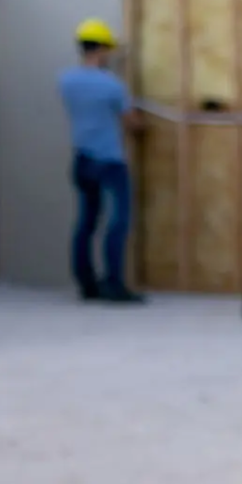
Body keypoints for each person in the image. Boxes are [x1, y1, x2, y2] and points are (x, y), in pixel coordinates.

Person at [59, 19, 145, 304]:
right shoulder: (113, 85)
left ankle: (87, 284)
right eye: (108, 49)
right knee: (119, 221)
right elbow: (131, 123)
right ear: (101, 49)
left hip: (82, 159)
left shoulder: (66, 81)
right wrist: (142, 124)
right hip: (110, 160)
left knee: (86, 222)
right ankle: (114, 285)